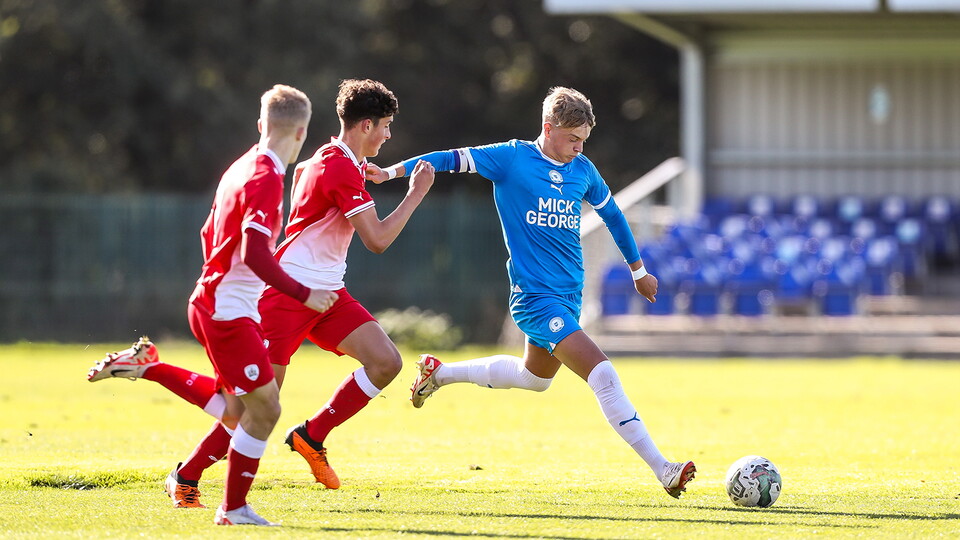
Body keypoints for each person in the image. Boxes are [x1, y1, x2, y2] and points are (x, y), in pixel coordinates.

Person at [366, 87, 696, 498]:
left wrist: (638, 271)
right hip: (536, 299)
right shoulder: (511, 158)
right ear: (548, 128)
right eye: (572, 139)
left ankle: (440, 373)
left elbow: (612, 215)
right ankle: (664, 468)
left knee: (534, 378)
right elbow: (448, 158)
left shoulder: (583, 169)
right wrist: (390, 173)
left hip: (568, 297)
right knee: (603, 374)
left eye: (583, 140)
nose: (578, 149)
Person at [147, 78, 436, 493]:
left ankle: (311, 436)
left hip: (327, 293)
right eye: (386, 126)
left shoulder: (330, 159)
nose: (389, 135)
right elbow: (377, 240)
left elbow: (310, 176)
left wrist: (375, 174)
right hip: (286, 295)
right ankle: (185, 476)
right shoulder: (339, 167)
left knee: (386, 362)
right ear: (366, 125)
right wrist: (415, 194)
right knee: (255, 407)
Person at [88, 84, 338, 525]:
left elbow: (209, 233)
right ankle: (234, 508)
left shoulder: (240, 167)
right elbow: (256, 253)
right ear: (301, 133)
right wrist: (305, 294)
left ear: (261, 125)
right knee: (266, 408)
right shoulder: (266, 178)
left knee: (237, 410)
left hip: (220, 302)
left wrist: (224, 282)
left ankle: (149, 370)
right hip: (226, 311)